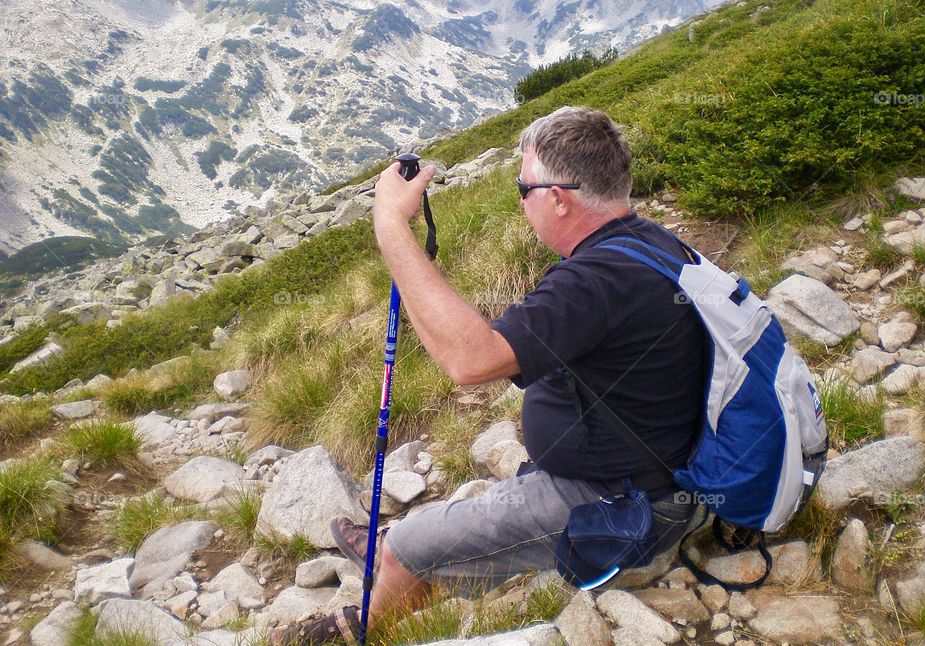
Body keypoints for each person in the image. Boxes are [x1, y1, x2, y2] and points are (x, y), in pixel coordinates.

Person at [271, 106, 707, 645]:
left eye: (523, 188)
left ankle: (362, 623)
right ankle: (403, 554)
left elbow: (469, 362)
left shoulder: (596, 281)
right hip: (649, 470)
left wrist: (390, 228)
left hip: (624, 503)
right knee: (456, 523)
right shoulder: (646, 244)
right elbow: (480, 352)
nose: (520, 200)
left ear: (558, 197)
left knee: (414, 545)